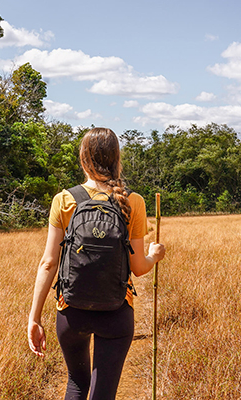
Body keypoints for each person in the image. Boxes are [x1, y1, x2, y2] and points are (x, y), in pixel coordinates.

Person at [27, 127, 166, 400]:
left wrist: (34, 318)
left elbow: (48, 263)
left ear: (83, 159)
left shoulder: (64, 200)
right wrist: (154, 255)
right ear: (117, 159)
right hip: (116, 312)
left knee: (77, 384)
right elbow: (138, 267)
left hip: (71, 311)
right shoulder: (132, 201)